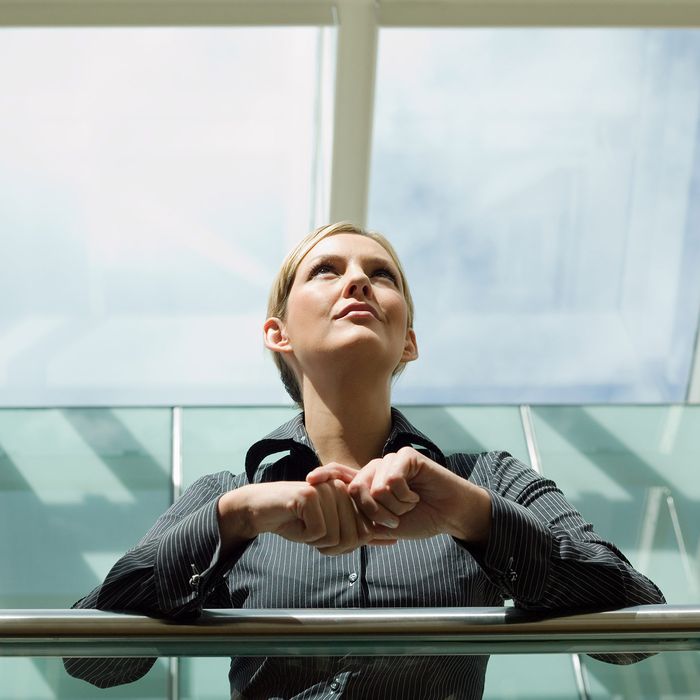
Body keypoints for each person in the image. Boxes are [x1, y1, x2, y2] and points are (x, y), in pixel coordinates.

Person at [64, 222, 665, 699]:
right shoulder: (227, 496)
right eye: (326, 270)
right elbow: (95, 659)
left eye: (382, 276)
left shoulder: (489, 480)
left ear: (409, 340)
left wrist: (472, 515)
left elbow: (636, 629)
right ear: (278, 334)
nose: (357, 283)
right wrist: (237, 518)